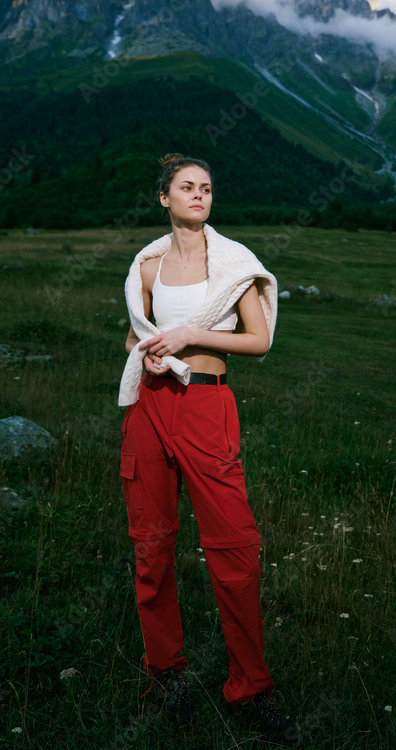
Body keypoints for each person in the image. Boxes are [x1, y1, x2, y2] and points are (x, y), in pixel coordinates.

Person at [119, 152, 303, 748]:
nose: (199, 195)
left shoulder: (234, 264)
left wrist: (193, 334)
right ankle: (166, 674)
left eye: (206, 188)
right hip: (150, 408)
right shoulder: (146, 266)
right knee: (151, 546)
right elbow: (135, 333)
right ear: (164, 198)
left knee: (235, 549)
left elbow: (261, 339)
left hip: (206, 405)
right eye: (186, 187)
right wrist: (147, 350)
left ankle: (251, 687)